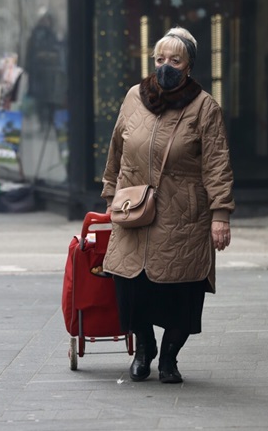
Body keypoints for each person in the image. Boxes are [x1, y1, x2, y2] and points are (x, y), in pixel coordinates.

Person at [101, 26, 234, 384]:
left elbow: (218, 164)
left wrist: (220, 214)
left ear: (189, 65)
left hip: (185, 217)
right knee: (130, 287)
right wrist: (111, 195)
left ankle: (170, 356)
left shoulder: (205, 107)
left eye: (175, 60)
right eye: (160, 59)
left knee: (183, 293)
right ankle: (145, 347)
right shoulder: (133, 97)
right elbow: (116, 150)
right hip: (133, 213)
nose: (166, 66)